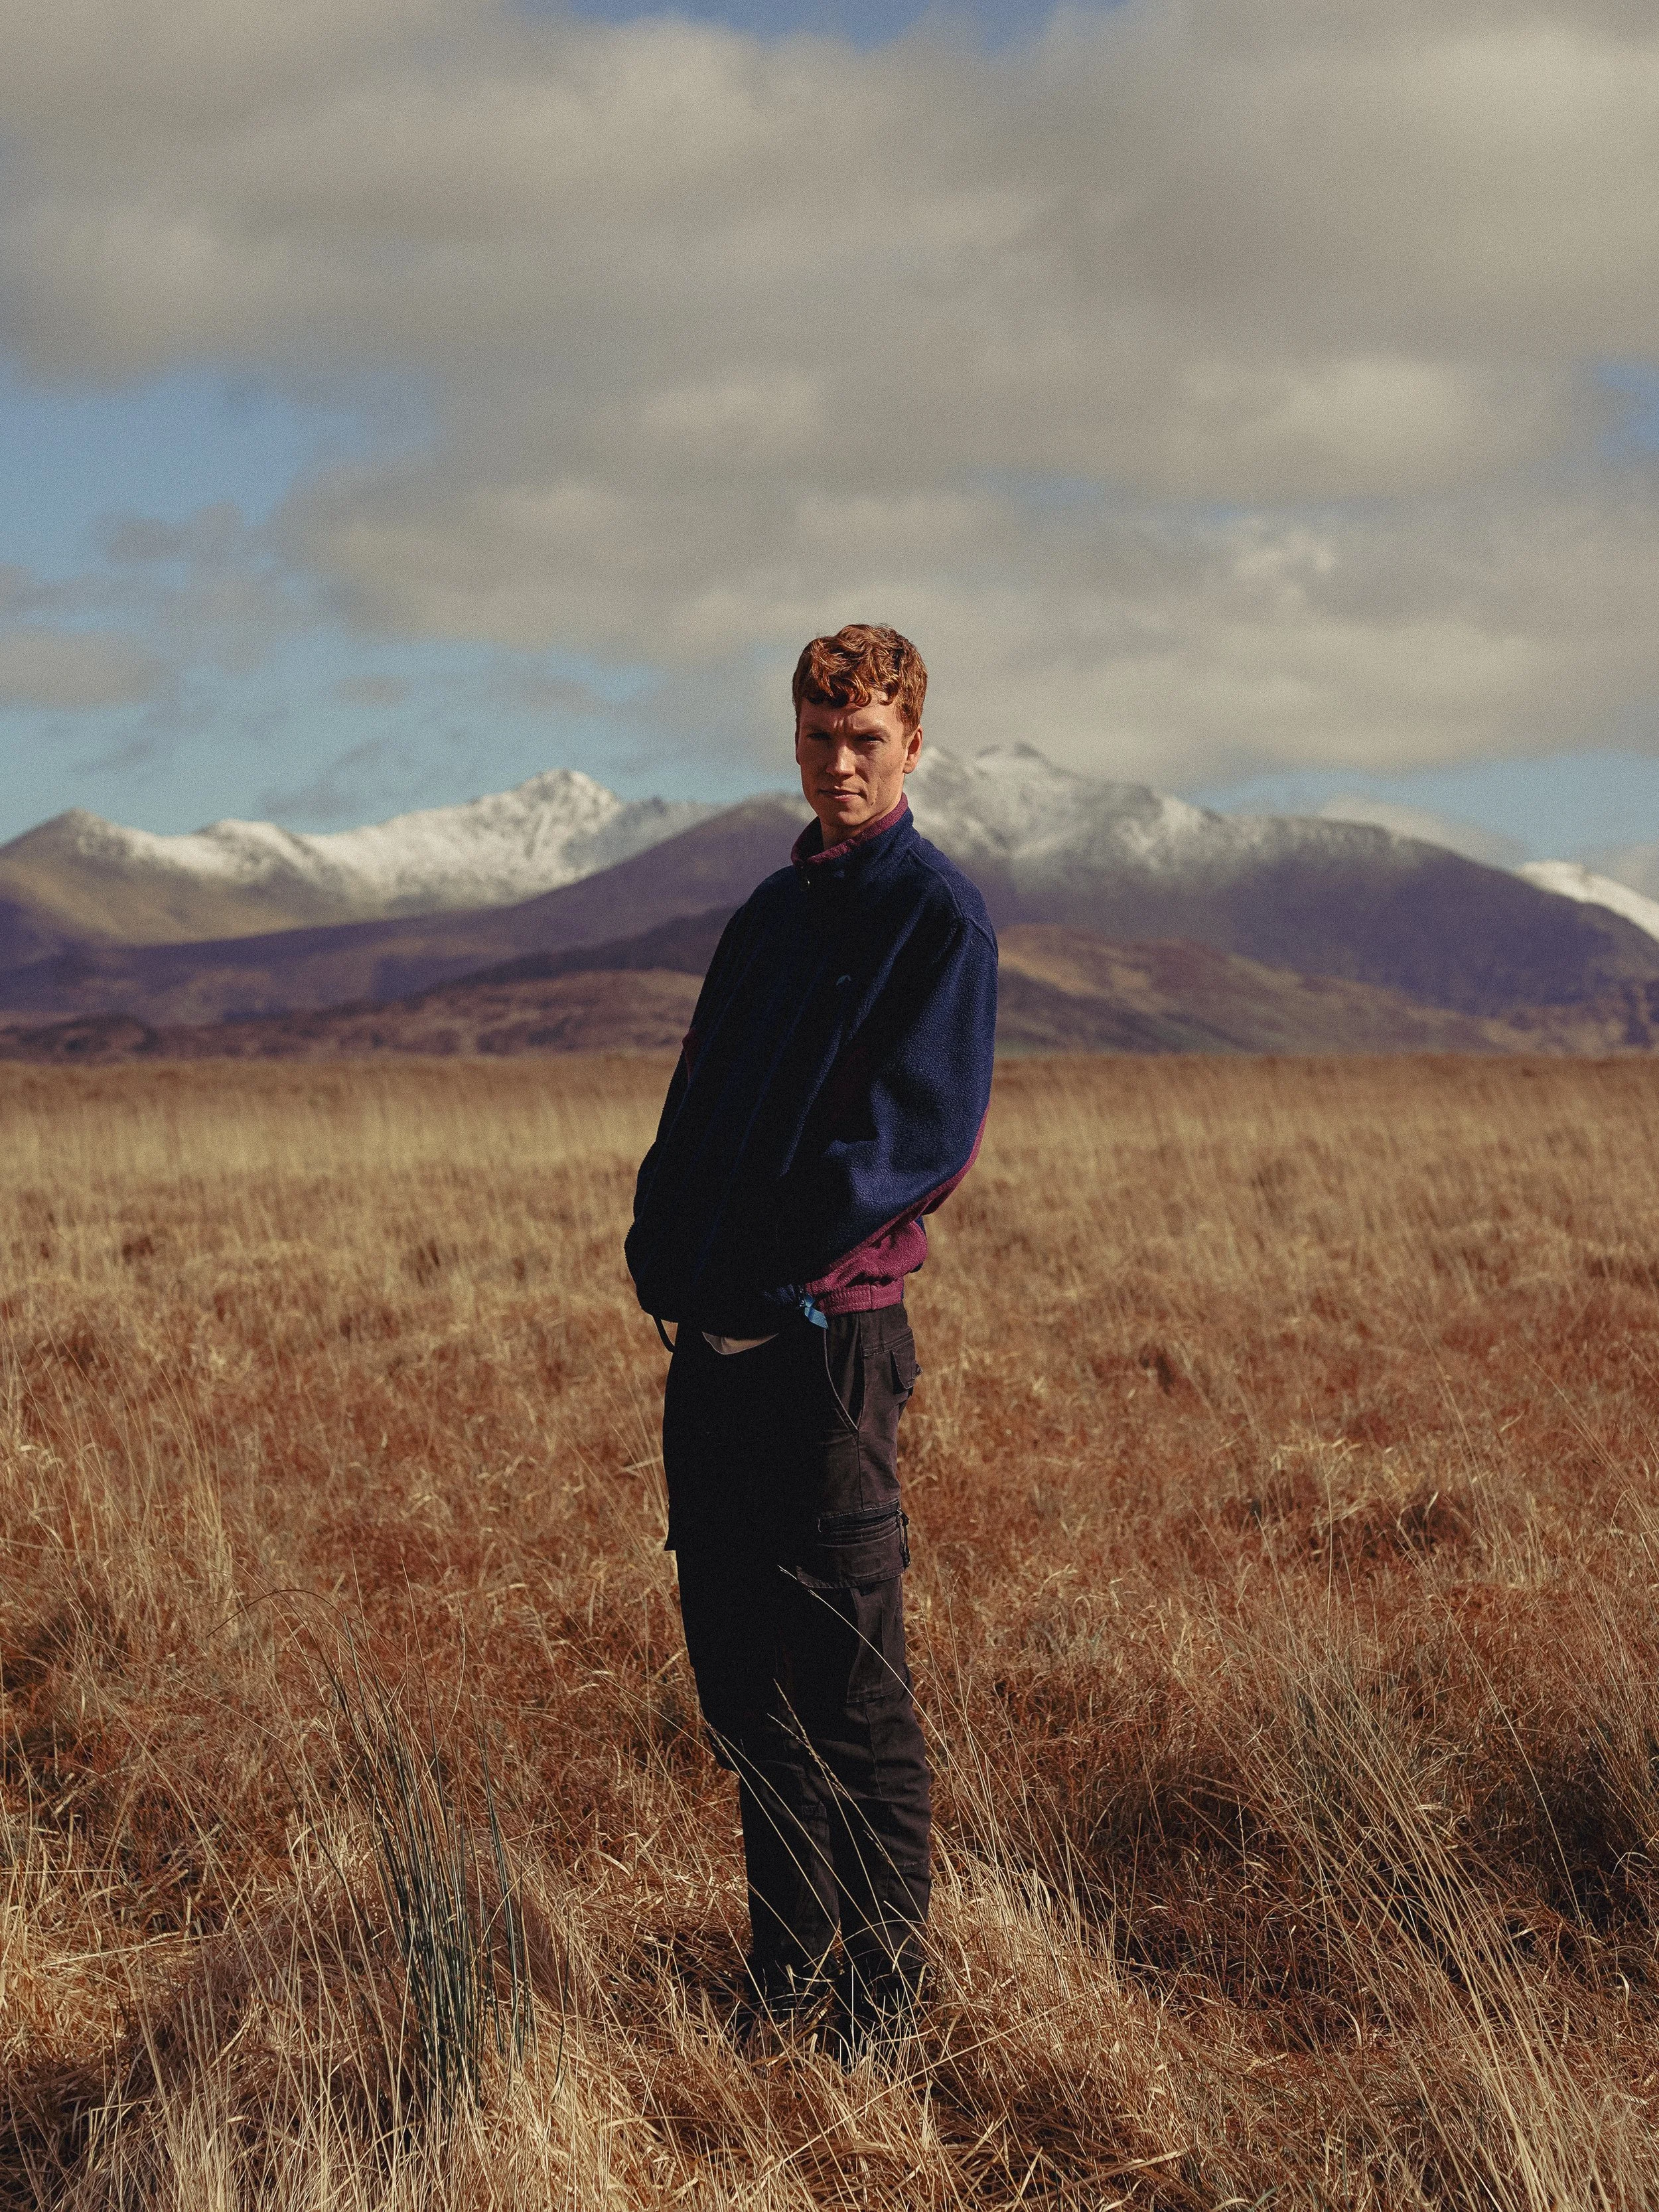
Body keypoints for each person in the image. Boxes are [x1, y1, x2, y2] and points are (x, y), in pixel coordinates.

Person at [624, 623, 998, 2056]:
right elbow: (697, 1099)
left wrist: (757, 1256)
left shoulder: (934, 917)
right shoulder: (768, 919)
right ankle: (783, 1973)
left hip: (825, 1349)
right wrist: (663, 1244)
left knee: (849, 1686)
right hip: (707, 1345)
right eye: (817, 740)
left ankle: (881, 1999)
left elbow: (909, 1143)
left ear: (911, 747)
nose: (838, 765)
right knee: (740, 1684)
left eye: (866, 743)